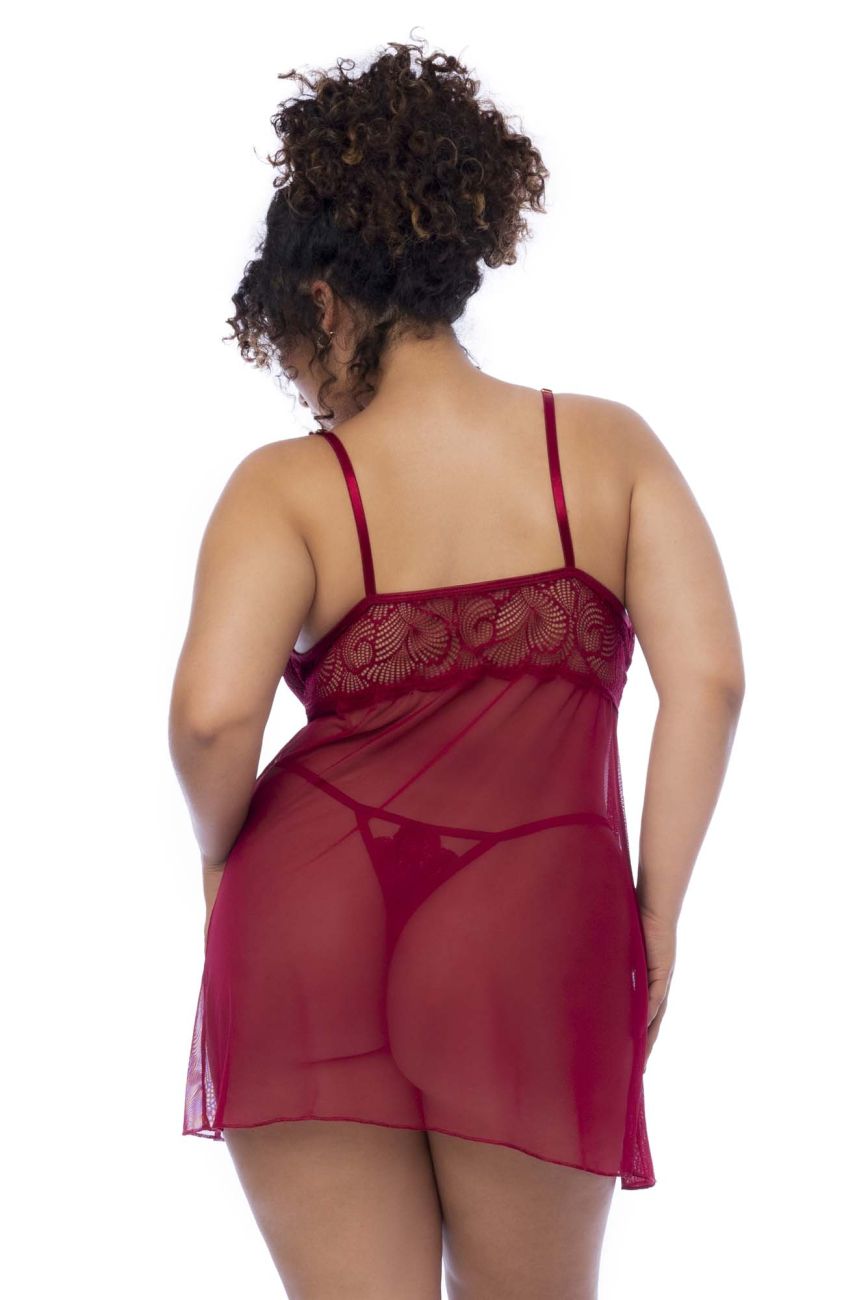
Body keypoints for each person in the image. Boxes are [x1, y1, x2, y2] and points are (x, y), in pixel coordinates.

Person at [169, 38, 745, 1300]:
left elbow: (213, 716)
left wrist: (218, 854)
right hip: (533, 911)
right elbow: (707, 680)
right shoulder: (605, 449)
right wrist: (654, 911)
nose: (303, 389)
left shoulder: (287, 487)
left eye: (289, 344)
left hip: (309, 906)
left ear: (321, 301)